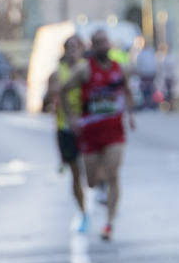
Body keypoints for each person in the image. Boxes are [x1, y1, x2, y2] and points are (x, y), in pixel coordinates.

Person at [58, 29, 135, 241]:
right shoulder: (85, 70)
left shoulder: (119, 68)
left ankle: (109, 223)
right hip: (90, 134)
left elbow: (127, 90)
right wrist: (71, 117)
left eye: (105, 42)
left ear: (110, 44)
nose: (103, 46)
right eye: (98, 42)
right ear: (92, 46)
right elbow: (63, 89)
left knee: (114, 174)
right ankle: (100, 184)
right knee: (91, 181)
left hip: (114, 131)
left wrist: (130, 114)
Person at [46, 35, 90, 232]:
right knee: (76, 173)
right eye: (69, 46)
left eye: (76, 46)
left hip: (88, 127)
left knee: (91, 170)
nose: (73, 50)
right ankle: (83, 212)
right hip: (65, 127)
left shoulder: (87, 69)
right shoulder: (57, 73)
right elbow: (51, 95)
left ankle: (100, 189)